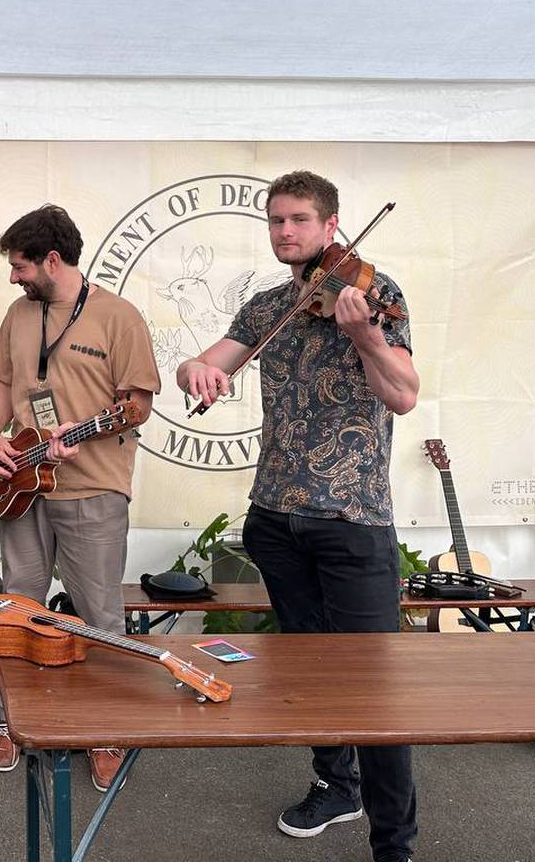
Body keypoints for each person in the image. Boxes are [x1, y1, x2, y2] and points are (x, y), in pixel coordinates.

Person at [176, 170, 418, 862]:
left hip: (353, 519)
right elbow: (206, 361)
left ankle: (394, 843)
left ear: (331, 226)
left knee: (374, 685)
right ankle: (336, 784)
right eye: (277, 220)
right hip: (274, 519)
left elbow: (402, 396)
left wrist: (368, 338)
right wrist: (197, 370)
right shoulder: (265, 308)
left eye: (300, 220)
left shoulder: (376, 293)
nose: (287, 231)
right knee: (309, 671)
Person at [0, 204, 160, 792]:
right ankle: (13, 720)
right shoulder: (17, 313)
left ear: (52, 260)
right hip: (22, 485)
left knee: (100, 612)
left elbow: (136, 406)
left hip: (93, 488)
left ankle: (106, 730)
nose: (14, 276)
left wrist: (82, 432)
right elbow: (4, 385)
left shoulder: (119, 316)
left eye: (21, 265)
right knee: (17, 603)